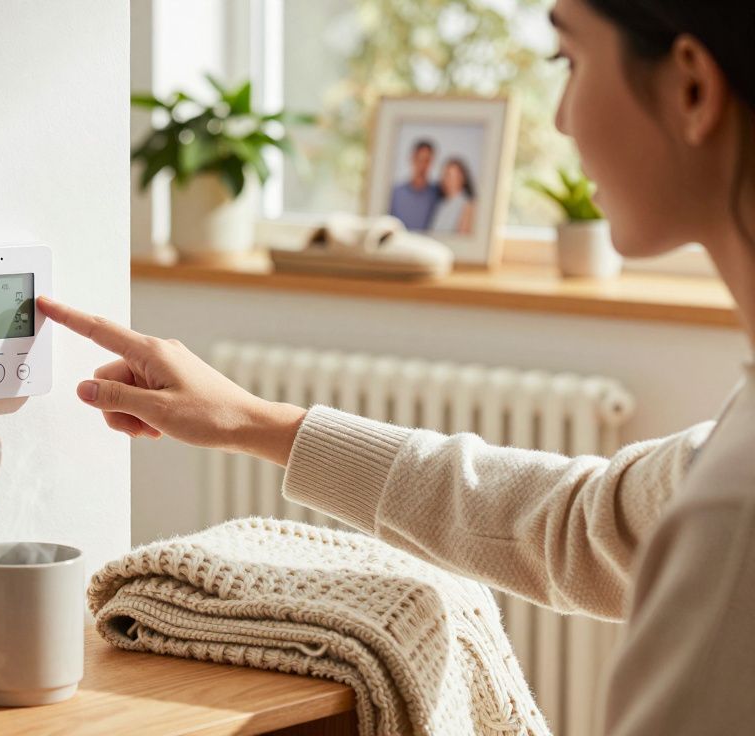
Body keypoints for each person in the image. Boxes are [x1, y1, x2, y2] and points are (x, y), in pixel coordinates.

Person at [39, 0, 755, 732]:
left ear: (691, 88)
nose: (562, 118)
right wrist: (256, 422)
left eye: (569, 61)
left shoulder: (734, 512)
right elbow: (580, 524)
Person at [388, 138, 441, 230]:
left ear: (432, 162)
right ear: (412, 159)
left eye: (427, 161)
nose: (423, 166)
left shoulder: (437, 193)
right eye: (420, 159)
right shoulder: (396, 193)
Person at [428, 157, 476, 234]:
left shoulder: (468, 205)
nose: (446, 179)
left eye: (450, 175)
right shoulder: (441, 204)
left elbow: (462, 236)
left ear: (462, 178)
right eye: (445, 175)